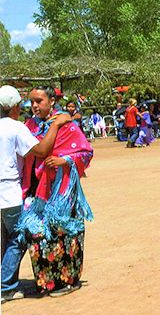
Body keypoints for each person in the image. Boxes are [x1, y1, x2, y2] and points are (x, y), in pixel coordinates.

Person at [19, 86, 95, 298]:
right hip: (36, 190)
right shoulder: (28, 126)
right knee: (37, 235)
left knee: (64, 234)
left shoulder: (68, 126)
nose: (34, 105)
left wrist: (65, 160)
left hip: (61, 192)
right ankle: (45, 282)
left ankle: (69, 280)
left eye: (39, 101)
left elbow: (86, 152)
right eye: (32, 102)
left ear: (51, 101)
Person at [1, 86, 73, 303]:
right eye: (27, 103)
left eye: (37, 101)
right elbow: (41, 151)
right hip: (10, 193)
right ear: (13, 107)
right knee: (17, 239)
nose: (31, 107)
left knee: (4, 240)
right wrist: (57, 125)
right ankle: (6, 286)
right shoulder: (18, 128)